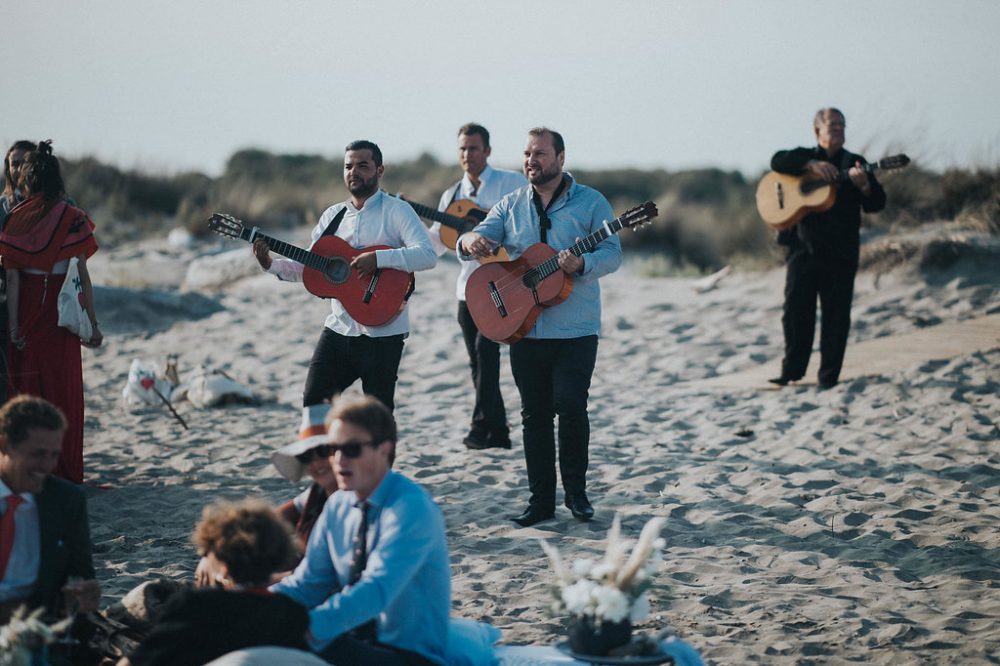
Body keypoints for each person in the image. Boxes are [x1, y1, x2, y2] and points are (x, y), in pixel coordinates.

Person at [458, 128, 623, 527]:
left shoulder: (591, 202)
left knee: (571, 406)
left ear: (561, 158)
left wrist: (582, 264)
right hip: (524, 329)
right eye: (527, 154)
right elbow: (476, 236)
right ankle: (540, 503)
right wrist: (471, 240)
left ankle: (577, 496)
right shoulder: (511, 203)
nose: (531, 161)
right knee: (534, 416)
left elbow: (612, 253)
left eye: (540, 154)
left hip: (576, 330)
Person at [252, 140, 435, 433]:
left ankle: (379, 465)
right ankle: (321, 462)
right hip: (339, 329)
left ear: (379, 170)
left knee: (378, 416)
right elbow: (310, 269)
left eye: (363, 165)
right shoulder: (332, 216)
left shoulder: (397, 211)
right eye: (348, 166)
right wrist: (269, 264)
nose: (354, 172)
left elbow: (427, 255)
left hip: (383, 332)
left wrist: (378, 259)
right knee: (314, 403)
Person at [272, 395, 451, 666]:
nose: (339, 459)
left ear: (384, 449)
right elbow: (308, 584)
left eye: (352, 449)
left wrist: (304, 628)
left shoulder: (411, 508)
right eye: (333, 448)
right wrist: (254, 605)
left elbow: (376, 590)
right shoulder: (337, 505)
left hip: (408, 656)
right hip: (354, 642)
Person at [0, 140, 102, 485]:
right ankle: (66, 471)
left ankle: (26, 471)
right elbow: (82, 276)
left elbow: (13, 280)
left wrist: (14, 328)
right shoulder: (73, 218)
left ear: (27, 180)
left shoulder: (15, 219)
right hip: (62, 319)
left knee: (28, 394)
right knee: (64, 394)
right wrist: (92, 324)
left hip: (29, 313)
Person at [769, 108, 886, 389]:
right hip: (802, 249)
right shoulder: (803, 157)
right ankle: (791, 371)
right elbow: (777, 160)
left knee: (836, 315)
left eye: (841, 125)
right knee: (795, 311)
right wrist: (810, 164)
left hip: (840, 251)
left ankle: (828, 376)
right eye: (832, 125)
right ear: (817, 131)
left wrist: (864, 185)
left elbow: (876, 204)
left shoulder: (855, 162)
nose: (838, 129)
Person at [428, 123, 526, 450]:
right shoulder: (451, 196)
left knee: (486, 351)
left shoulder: (511, 183)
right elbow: (438, 242)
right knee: (477, 364)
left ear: (487, 151)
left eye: (473, 148)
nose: (467, 154)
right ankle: (498, 434)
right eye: (462, 149)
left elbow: (526, 223)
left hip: (503, 284)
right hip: (466, 290)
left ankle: (479, 426)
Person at [123, 499, 311, 666]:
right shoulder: (292, 613)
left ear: (224, 566)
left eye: (208, 552)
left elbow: (139, 660)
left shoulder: (197, 605)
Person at [0, 395, 99, 625]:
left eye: (54, 455)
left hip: (33, 628)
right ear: (4, 446)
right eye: (37, 454)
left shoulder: (65, 501)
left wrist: (81, 596)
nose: (47, 466)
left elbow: (80, 574)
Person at [0, 141, 37, 405]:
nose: (18, 168)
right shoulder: (1, 207)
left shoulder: (54, 205)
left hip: (40, 296)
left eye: (25, 162)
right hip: (4, 296)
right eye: (14, 163)